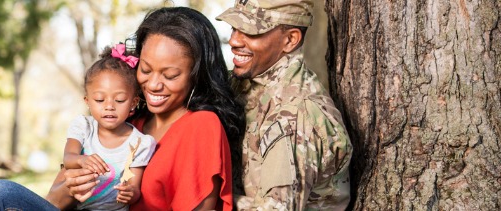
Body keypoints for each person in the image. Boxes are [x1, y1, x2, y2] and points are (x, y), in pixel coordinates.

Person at [54, 7, 245, 211]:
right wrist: (72, 186)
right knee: (14, 193)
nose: (153, 84)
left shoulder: (201, 126)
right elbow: (54, 199)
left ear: (196, 75)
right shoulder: (128, 122)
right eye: (145, 70)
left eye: (170, 76)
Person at [215, 0, 353, 210]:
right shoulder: (247, 82)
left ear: (290, 40)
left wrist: (212, 200)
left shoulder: (295, 114)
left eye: (250, 32)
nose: (234, 40)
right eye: (234, 27)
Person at [62, 44, 157, 210]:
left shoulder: (140, 143)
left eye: (119, 100)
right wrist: (81, 159)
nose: (109, 107)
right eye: (99, 100)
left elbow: (134, 189)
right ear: (88, 101)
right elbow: (68, 159)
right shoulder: (83, 127)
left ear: (133, 103)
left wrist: (130, 193)